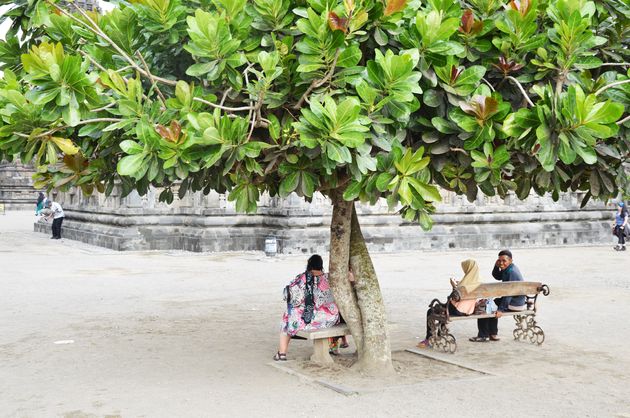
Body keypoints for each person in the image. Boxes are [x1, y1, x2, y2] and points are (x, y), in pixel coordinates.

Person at [274, 254, 340, 361]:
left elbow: (294, 298)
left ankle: (281, 353)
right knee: (334, 313)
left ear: (309, 264)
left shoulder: (303, 278)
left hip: (309, 319)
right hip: (329, 318)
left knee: (287, 319)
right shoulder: (329, 278)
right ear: (321, 265)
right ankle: (334, 347)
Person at [417, 259, 481, 348]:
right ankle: (440, 332)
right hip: (469, 310)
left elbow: (454, 297)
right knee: (440, 309)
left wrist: (453, 285)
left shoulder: (465, 283)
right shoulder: (477, 281)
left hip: (457, 309)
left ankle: (429, 338)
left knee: (431, 311)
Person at [469, 249, 526, 342]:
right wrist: (496, 266)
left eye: (504, 260)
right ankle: (493, 334)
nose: (501, 263)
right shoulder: (509, 268)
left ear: (511, 260)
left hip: (514, 303)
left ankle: (483, 336)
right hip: (518, 301)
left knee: (485, 308)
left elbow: (509, 293)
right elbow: (497, 276)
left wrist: (500, 310)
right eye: (499, 260)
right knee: (492, 304)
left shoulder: (511, 272)